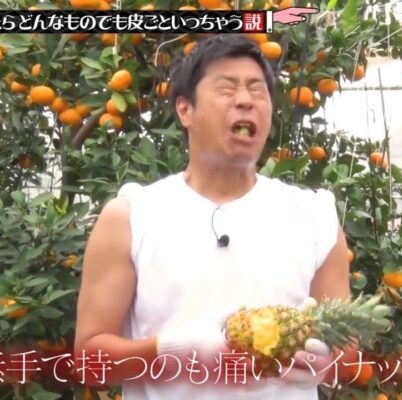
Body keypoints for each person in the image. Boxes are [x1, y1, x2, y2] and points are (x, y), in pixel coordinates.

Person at [74, 34, 351, 400]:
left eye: (258, 90)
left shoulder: (315, 217)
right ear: (185, 110)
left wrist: (327, 361)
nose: (246, 100)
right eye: (227, 88)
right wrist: (170, 350)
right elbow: (89, 362)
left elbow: (347, 355)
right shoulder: (131, 217)